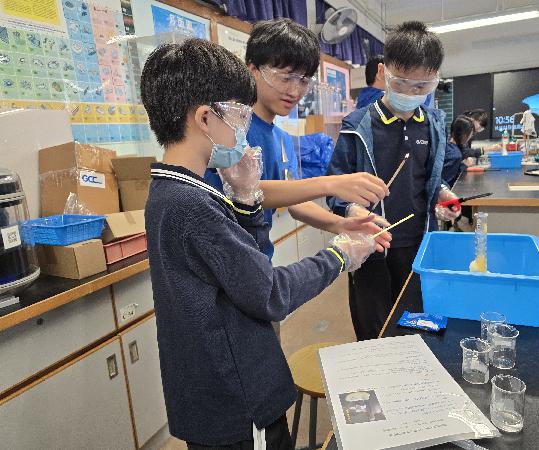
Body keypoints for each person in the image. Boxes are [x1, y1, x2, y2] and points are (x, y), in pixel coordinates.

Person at [141, 39, 390, 450]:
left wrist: (245, 200)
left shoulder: (171, 189)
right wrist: (340, 254)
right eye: (239, 117)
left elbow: (240, 264)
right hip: (234, 400)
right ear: (204, 118)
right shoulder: (191, 204)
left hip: (219, 382)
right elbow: (270, 292)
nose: (243, 130)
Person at [204, 19, 390, 261]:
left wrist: (342, 224)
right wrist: (330, 184)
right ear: (253, 70)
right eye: (285, 77)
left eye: (303, 80)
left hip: (258, 259)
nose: (294, 91)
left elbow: (295, 202)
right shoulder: (229, 129)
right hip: (220, 260)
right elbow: (242, 191)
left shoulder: (282, 139)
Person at [326, 21, 462, 341]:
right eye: (402, 83)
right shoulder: (357, 126)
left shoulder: (433, 124)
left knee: (418, 327)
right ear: (383, 72)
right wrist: (352, 211)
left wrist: (443, 193)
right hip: (371, 246)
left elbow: (431, 178)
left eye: (422, 86)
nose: (412, 93)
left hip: (420, 243)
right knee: (373, 331)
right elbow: (335, 187)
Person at [442, 115, 476, 187]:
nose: (470, 137)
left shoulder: (446, 144)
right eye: (470, 134)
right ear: (464, 135)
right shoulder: (455, 155)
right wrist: (464, 165)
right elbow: (446, 180)